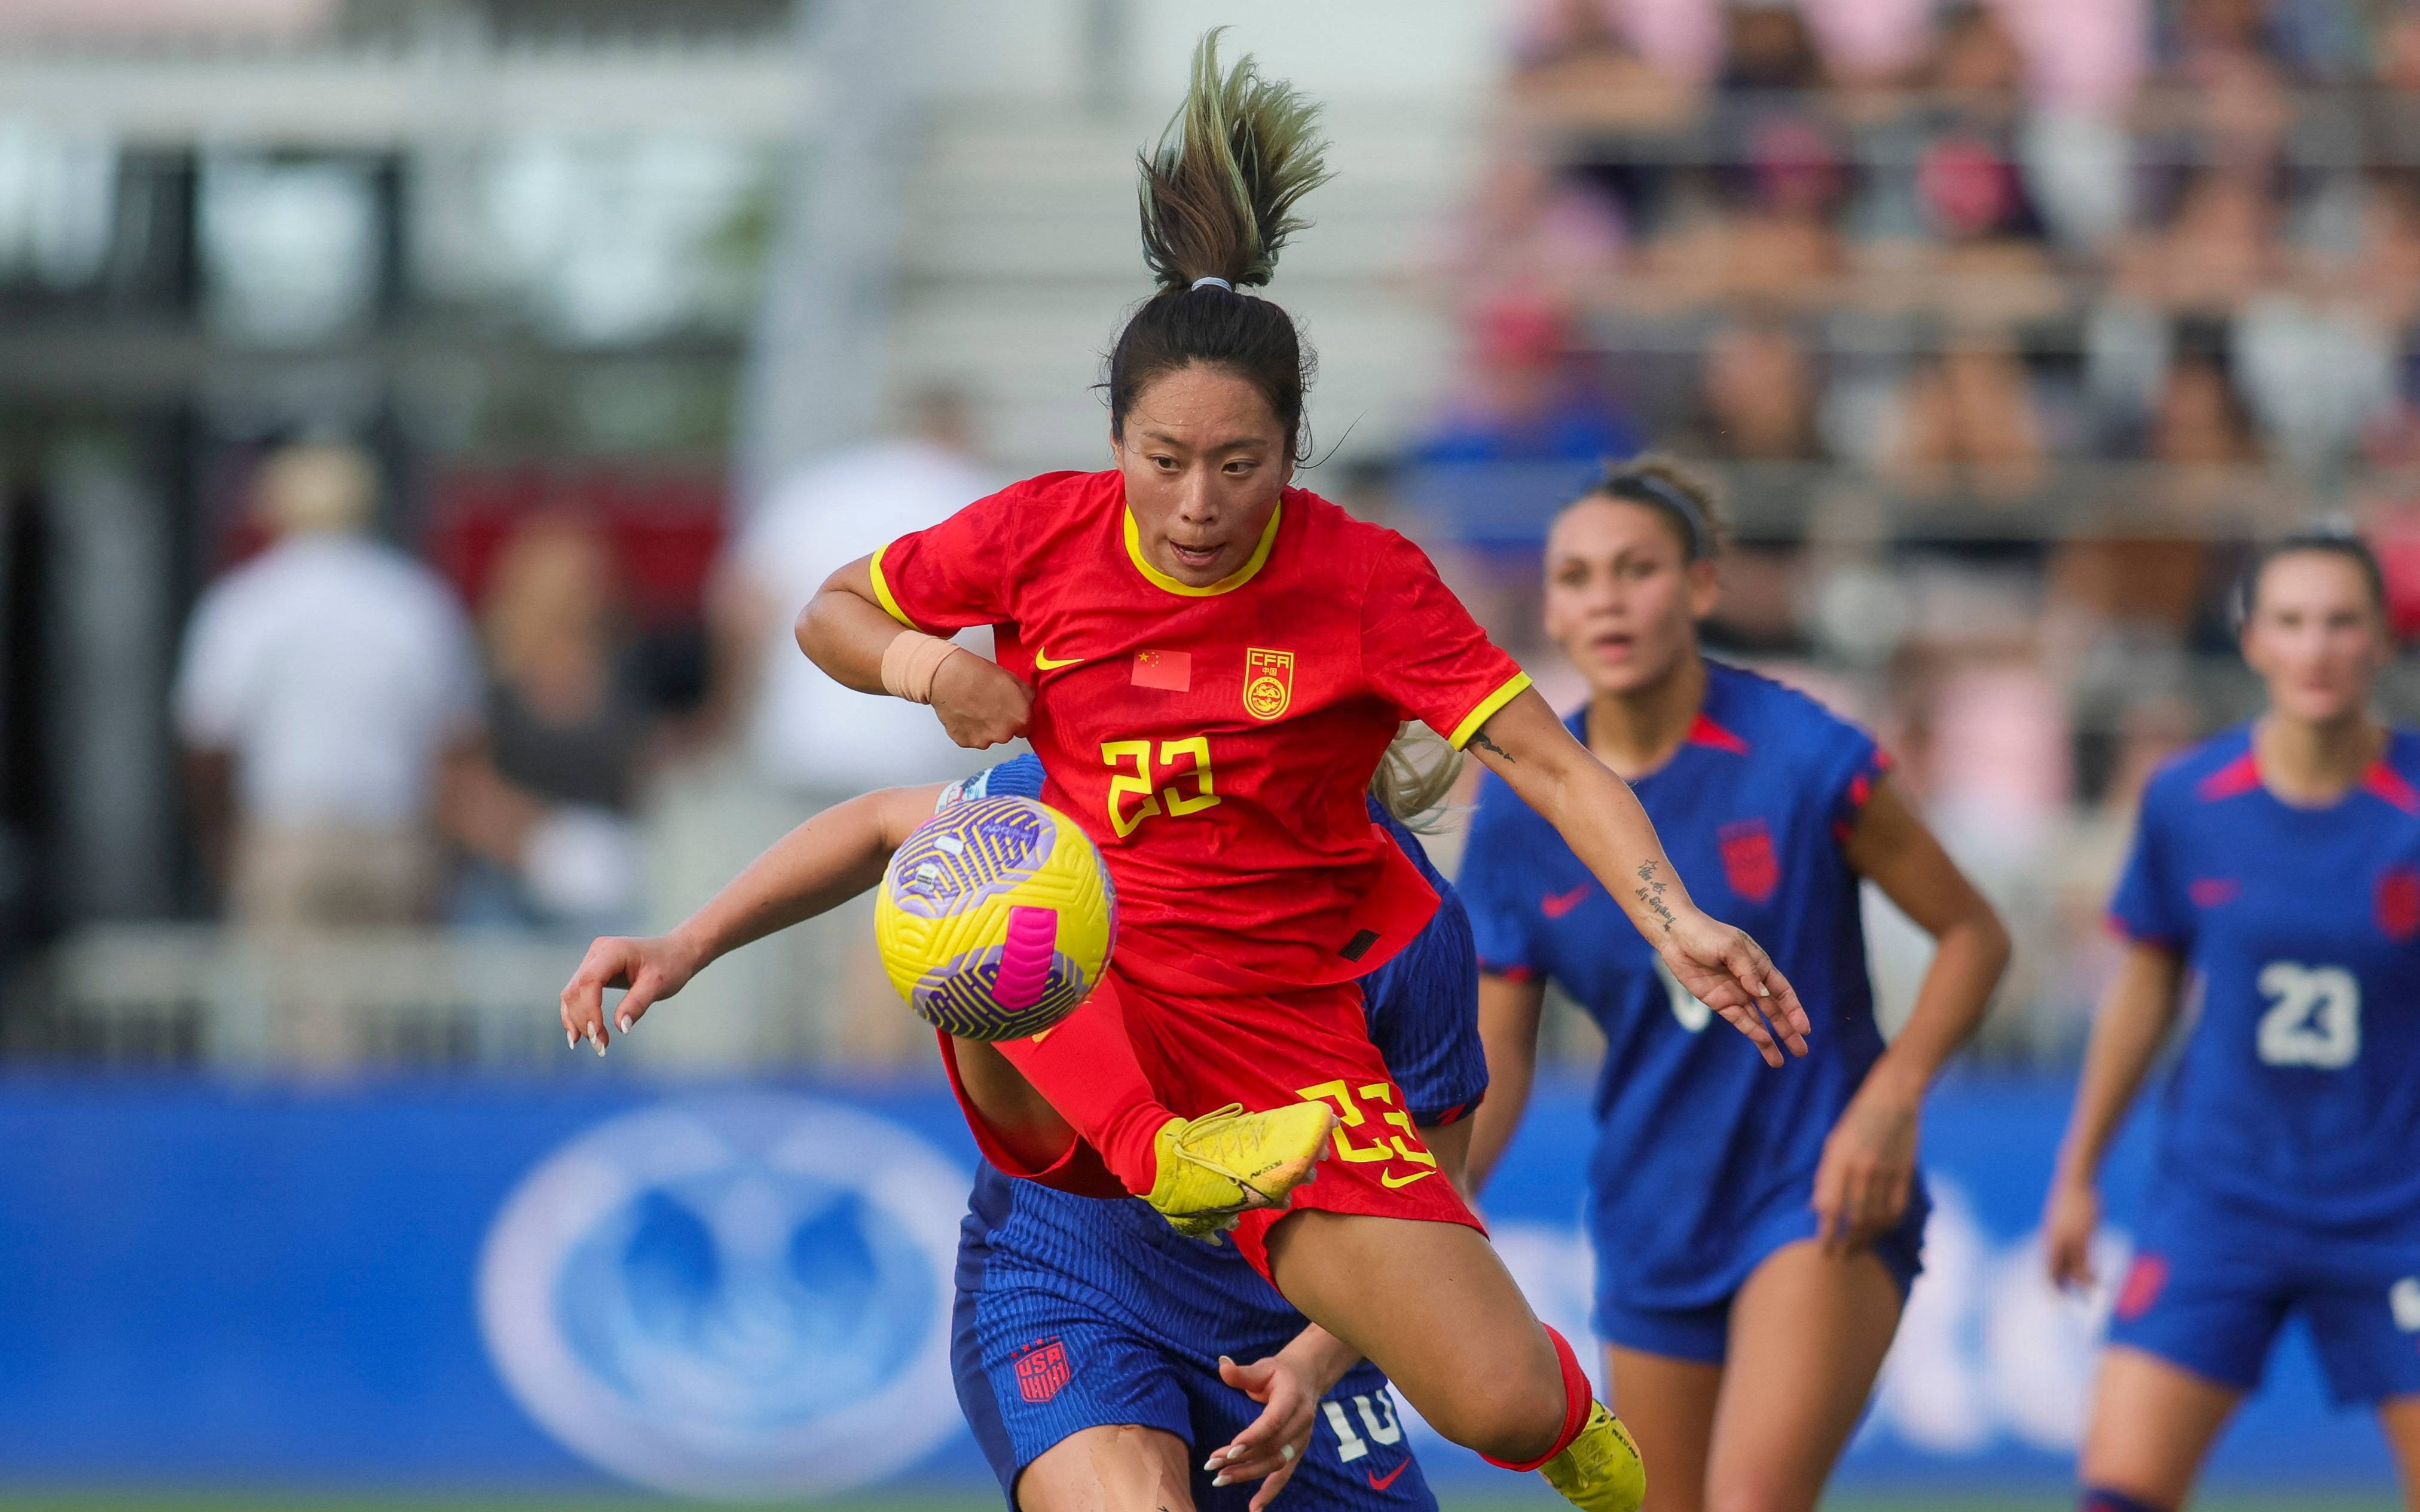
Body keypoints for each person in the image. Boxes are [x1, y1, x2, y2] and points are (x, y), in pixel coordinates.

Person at [686, 33, 1810, 1512]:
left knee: (1499, 1400)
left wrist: (1676, 920)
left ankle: (1545, 1402)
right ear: (1114, 440)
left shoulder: (1366, 584)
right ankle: (1152, 1153)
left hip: (1295, 1065)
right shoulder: (1036, 534)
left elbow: (1548, 757)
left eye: (1240, 462)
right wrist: (933, 668)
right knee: (972, 939)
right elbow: (833, 608)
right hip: (1103, 1011)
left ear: (1295, 446)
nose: (1199, 502)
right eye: (1163, 460)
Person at [558, 737, 1481, 1512]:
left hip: (1291, 1331)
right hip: (1075, 1281)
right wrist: (685, 943)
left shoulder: (1420, 928)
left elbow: (1423, 1199)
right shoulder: (1085, 794)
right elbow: (885, 825)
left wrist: (1315, 1364)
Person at [1459, 458, 2009, 1512]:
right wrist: (1427, 1218)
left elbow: (1973, 936)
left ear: (1701, 587)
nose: (1606, 598)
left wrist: (1889, 1102)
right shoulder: (1525, 815)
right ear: (1551, 609)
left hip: (1814, 1186)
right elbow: (1496, 1067)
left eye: (1636, 569)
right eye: (1576, 577)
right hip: (1650, 1210)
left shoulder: (1804, 755)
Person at [2043, 531, 2420, 1512]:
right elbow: (2144, 986)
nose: (2315, 648)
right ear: (2249, 640)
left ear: (2381, 639)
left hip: (2397, 1205)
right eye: (2289, 622)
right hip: (2221, 1197)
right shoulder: (2187, 799)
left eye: (2341, 623)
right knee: (2117, 1492)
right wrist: (2076, 1173)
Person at [173, 440, 484, 929]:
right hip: (394, 837)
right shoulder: (415, 601)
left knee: (292, 1002)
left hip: (287, 836)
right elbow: (457, 740)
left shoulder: (246, 602)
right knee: (395, 999)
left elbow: (208, 742)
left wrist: (223, 845)